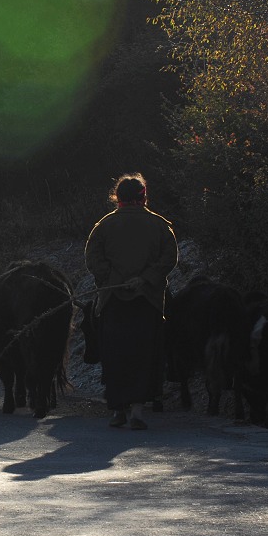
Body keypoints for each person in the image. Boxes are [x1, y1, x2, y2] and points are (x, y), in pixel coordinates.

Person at [84, 173, 178, 430]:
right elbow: (169, 258)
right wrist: (145, 279)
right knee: (145, 355)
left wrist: (112, 278)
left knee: (114, 354)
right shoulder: (160, 225)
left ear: (117, 197)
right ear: (144, 196)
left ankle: (118, 410)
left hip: (113, 300)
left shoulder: (103, 225)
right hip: (148, 302)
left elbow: (92, 258)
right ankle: (138, 412)